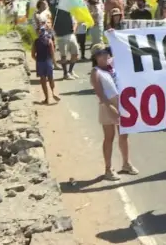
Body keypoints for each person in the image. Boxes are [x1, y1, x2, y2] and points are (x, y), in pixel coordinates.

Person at [90, 44, 138, 180]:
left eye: (106, 52)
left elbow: (124, 50)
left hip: (122, 103)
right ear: (95, 57)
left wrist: (113, 34)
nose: (105, 55)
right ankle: (108, 169)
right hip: (107, 105)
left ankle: (126, 163)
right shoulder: (96, 71)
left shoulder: (113, 65)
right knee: (109, 137)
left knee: (124, 135)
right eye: (101, 54)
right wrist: (110, 107)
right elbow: (99, 92)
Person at [31, 26, 60, 104]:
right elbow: (52, 53)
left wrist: (37, 60)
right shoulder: (49, 40)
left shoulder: (36, 41)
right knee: (50, 78)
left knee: (43, 81)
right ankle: (53, 92)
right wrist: (55, 63)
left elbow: (33, 54)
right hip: (48, 61)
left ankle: (47, 99)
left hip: (40, 62)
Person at [53, 11, 80, 80]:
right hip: (61, 37)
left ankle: (70, 71)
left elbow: (75, 22)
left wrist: (74, 28)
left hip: (71, 35)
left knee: (75, 54)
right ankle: (65, 74)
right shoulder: (56, 13)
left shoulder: (70, 11)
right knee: (63, 56)